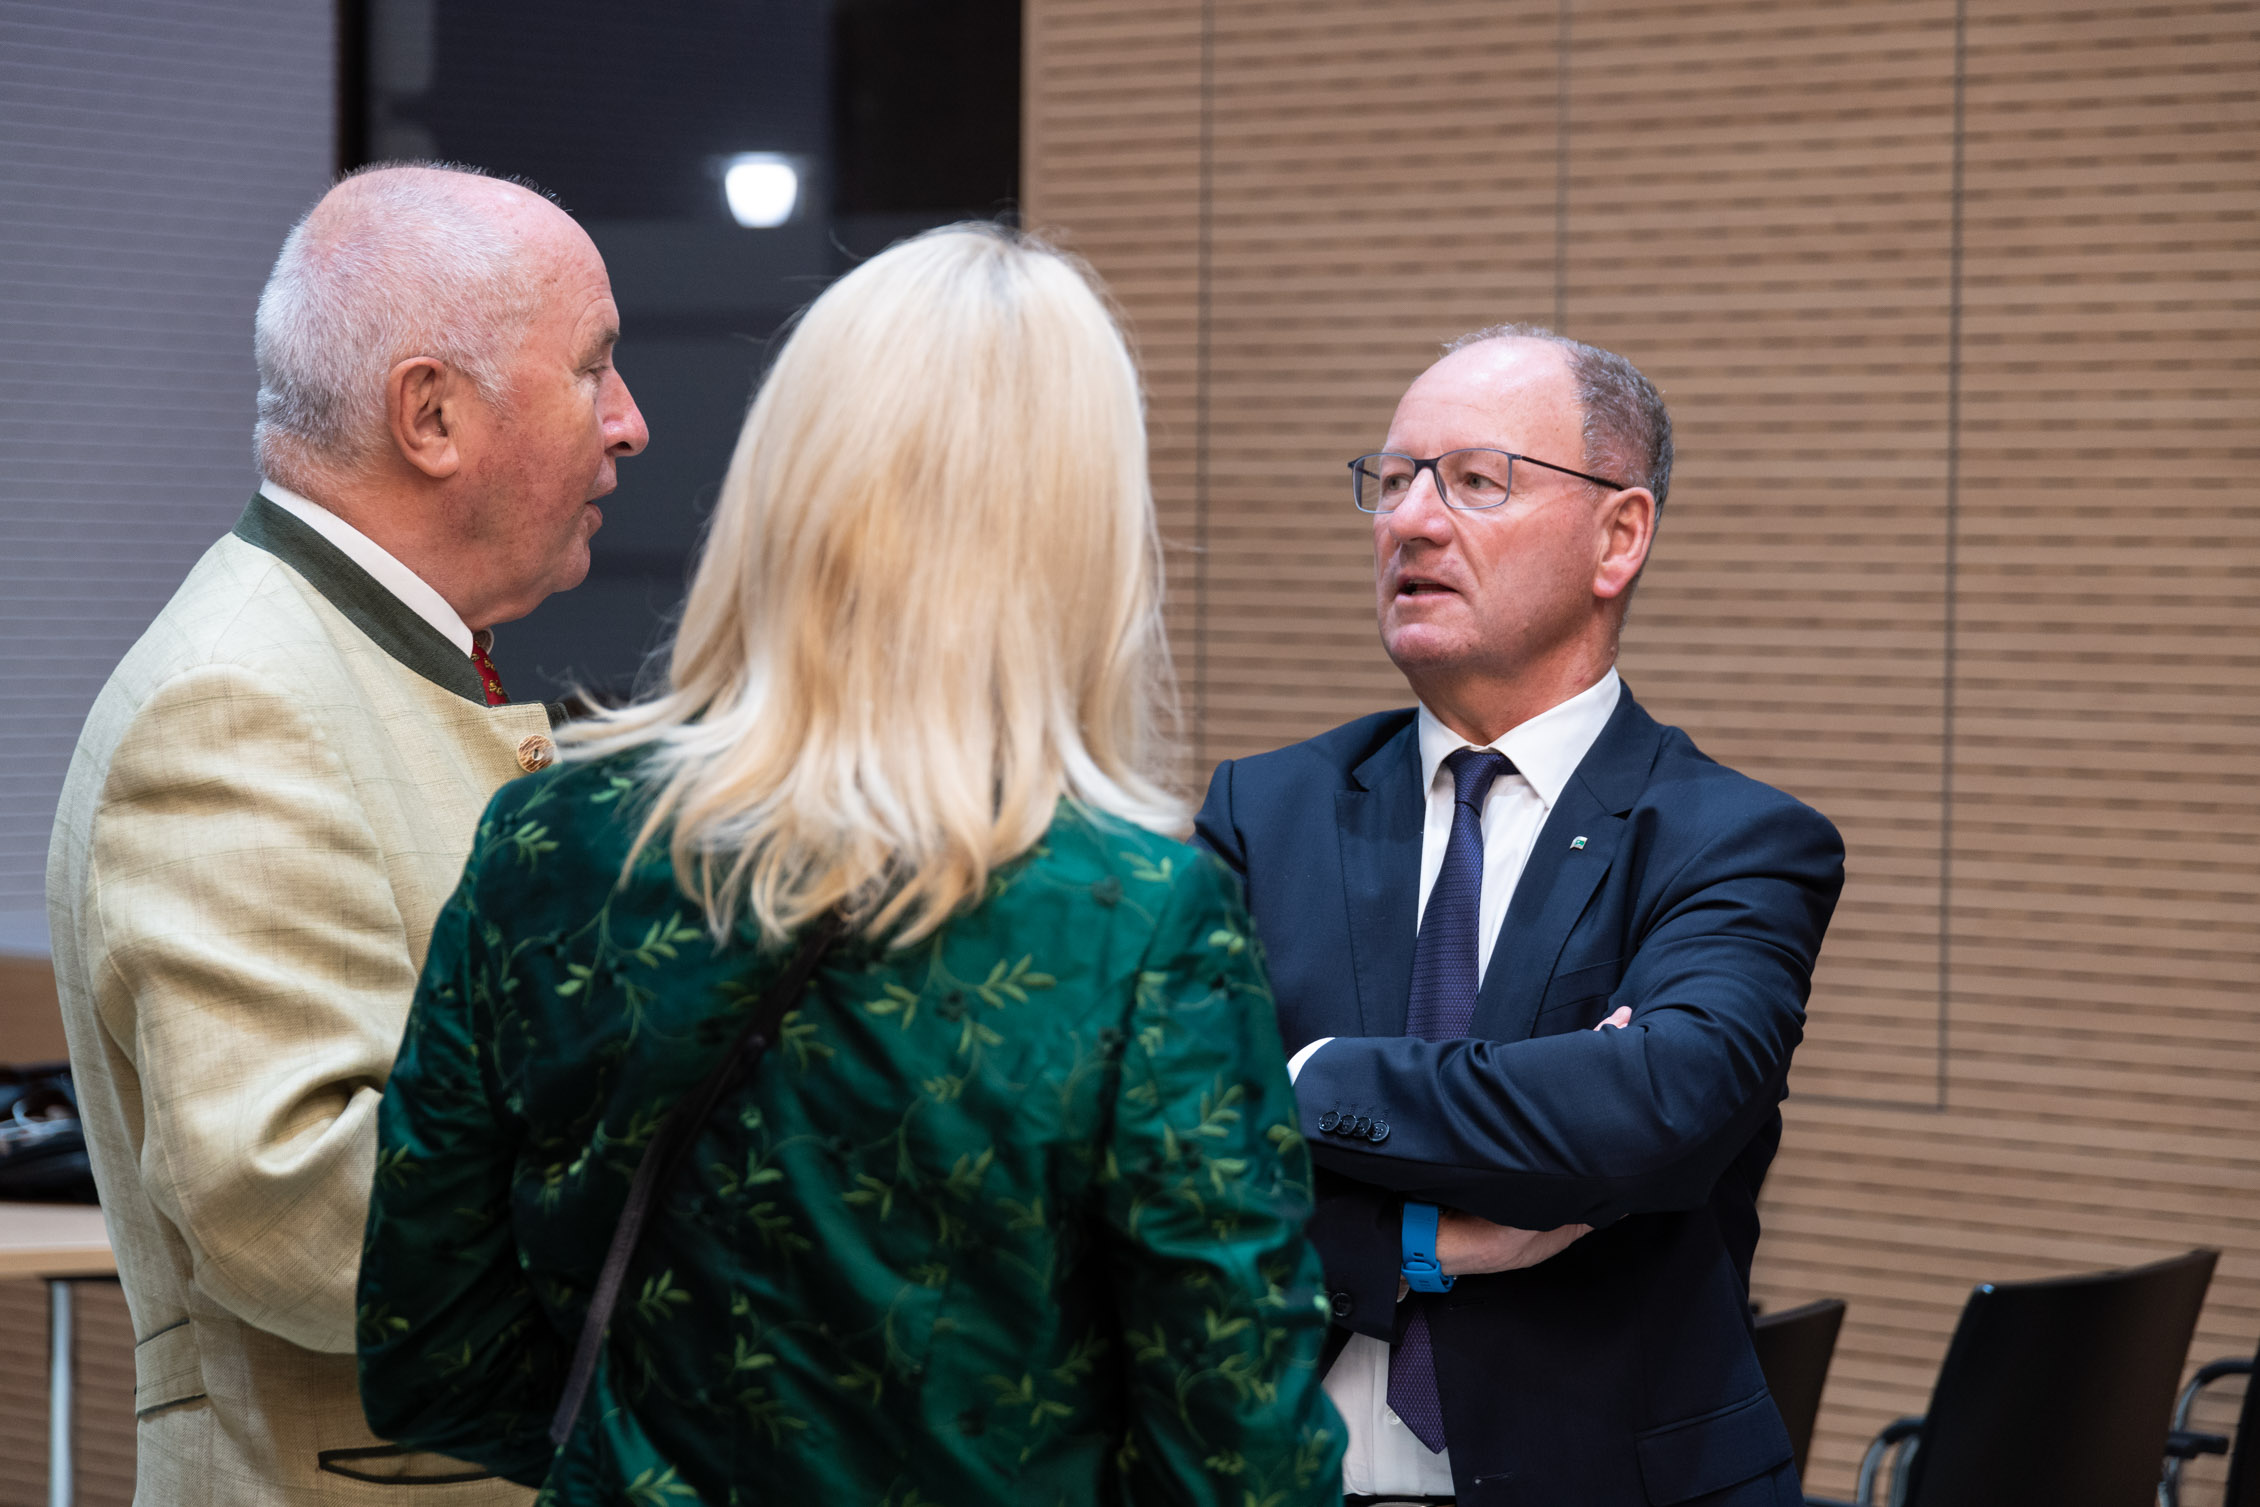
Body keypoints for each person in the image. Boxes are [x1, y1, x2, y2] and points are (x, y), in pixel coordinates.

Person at [355, 225, 1345, 1506]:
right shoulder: (1140, 922)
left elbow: (432, 1361)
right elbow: (1245, 1464)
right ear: (1085, 532)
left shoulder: (547, 845)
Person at [45, 163, 649, 1504]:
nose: (630, 422)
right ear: (431, 414)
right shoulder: (236, 701)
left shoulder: (367, 663)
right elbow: (298, 1213)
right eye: (593, 368)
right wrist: (680, 1138)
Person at [1195, 326, 1846, 1506]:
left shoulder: (1734, 841)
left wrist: (1291, 1077)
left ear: (1618, 535)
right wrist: (1415, 1242)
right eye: (1394, 479)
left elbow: (1646, 1110)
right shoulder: (1262, 812)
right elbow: (1160, 1161)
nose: (1411, 520)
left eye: (1474, 480)